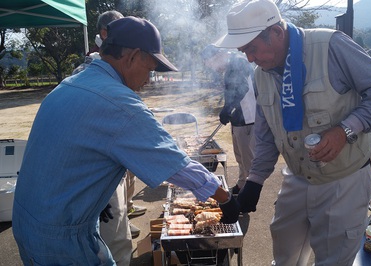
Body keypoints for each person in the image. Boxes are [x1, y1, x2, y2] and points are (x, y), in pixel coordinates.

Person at [12, 16, 240, 265]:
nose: (149, 80)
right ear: (132, 57)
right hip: (62, 239)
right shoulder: (120, 104)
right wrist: (225, 199)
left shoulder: (72, 83)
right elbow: (175, 165)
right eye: (150, 70)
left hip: (29, 221)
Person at [214, 0, 371, 265]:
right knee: (285, 253)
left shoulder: (329, 46)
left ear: (277, 33)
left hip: (343, 179)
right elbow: (267, 136)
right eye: (244, 51)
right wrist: (254, 182)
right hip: (297, 176)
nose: (250, 59)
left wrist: (345, 130)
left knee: (333, 258)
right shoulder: (261, 75)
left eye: (252, 48)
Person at [72, 10, 146, 265]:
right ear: (104, 34)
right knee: (115, 238)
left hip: (114, 156)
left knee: (120, 215)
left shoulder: (117, 64)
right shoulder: (88, 68)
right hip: (100, 162)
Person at [200, 44, 256, 194]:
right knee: (240, 157)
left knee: (247, 159)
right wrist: (227, 110)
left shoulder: (237, 62)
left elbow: (242, 88)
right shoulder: (231, 64)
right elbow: (232, 91)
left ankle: (248, 193)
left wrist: (227, 109)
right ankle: (241, 185)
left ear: (218, 56)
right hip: (238, 118)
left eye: (211, 65)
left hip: (248, 118)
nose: (214, 69)